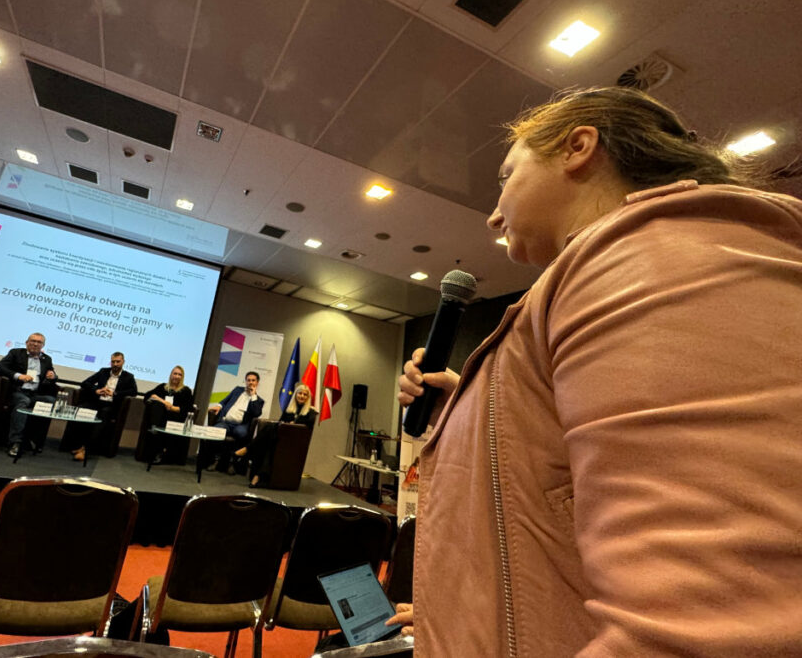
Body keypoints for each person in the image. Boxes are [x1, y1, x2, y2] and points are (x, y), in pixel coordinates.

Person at [392, 86, 802, 655]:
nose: (494, 214)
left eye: (506, 177)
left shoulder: (653, 258)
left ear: (578, 147)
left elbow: (712, 626)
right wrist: (466, 408)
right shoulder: (613, 271)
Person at [235, 384, 316, 486]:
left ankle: (247, 450)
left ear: (308, 397)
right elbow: (280, 422)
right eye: (300, 393)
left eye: (305, 394)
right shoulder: (289, 409)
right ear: (296, 395)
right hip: (280, 438)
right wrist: (286, 424)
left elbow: (308, 426)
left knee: (269, 432)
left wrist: (293, 425)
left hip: (293, 442)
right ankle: (257, 477)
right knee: (269, 441)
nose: (302, 396)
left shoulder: (310, 412)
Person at [0, 333, 57, 458]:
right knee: (24, 401)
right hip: (17, 392)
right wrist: (19, 376)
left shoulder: (47, 359)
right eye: (32, 341)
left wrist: (53, 376)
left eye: (39, 342)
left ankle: (34, 440)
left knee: (50, 401)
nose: (35, 344)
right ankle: (15, 442)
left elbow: (52, 375)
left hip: (35, 394)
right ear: (27, 343)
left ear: (43, 346)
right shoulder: (16, 353)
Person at [70, 352, 138, 462]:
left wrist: (114, 393)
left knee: (103, 415)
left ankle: (86, 450)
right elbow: (85, 383)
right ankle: (77, 445)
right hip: (97, 402)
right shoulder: (103, 372)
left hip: (111, 406)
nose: (115, 364)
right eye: (113, 362)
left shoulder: (128, 376)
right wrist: (96, 390)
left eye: (118, 362)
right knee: (80, 409)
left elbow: (133, 391)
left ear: (123, 362)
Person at [204, 371, 264, 473]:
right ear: (245, 381)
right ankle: (216, 460)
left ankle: (232, 462)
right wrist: (219, 406)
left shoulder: (258, 400)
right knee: (217, 430)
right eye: (248, 380)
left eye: (253, 380)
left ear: (257, 383)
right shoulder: (237, 390)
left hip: (240, 425)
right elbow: (225, 400)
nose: (250, 382)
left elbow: (256, 413)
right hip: (226, 422)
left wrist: (253, 395)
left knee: (241, 433)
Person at [143, 365, 195, 465]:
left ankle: (161, 452)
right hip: (161, 416)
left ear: (182, 377)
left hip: (176, 418)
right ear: (171, 375)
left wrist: (172, 408)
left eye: (179, 374)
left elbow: (188, 408)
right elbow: (150, 395)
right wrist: (164, 402)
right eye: (175, 374)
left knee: (163, 417)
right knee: (157, 409)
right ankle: (153, 447)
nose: (177, 376)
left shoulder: (186, 391)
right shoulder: (163, 387)